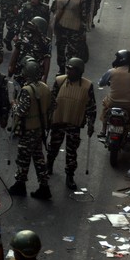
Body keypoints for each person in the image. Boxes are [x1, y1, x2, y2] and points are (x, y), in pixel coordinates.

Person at [47, 57, 96, 189]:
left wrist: (91, 124)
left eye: (72, 70)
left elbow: (91, 107)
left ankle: (70, 176)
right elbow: (51, 102)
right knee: (53, 147)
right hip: (58, 122)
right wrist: (48, 119)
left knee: (71, 152)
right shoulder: (59, 81)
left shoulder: (87, 86)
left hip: (74, 124)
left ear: (79, 72)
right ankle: (49, 165)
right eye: (67, 69)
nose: (68, 72)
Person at [8, 60, 53, 199]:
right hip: (39, 129)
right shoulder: (45, 87)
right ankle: (44, 186)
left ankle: (20, 184)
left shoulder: (27, 90)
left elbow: (20, 112)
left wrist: (14, 104)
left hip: (28, 130)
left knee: (23, 158)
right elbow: (53, 106)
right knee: (38, 158)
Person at [98, 49, 130, 135]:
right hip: (129, 105)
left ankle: (103, 129)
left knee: (105, 106)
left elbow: (101, 83)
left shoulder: (111, 71)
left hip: (112, 103)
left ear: (121, 60)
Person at [50, 0, 89, 75]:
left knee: (73, 53)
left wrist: (83, 33)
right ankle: (61, 69)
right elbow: (53, 9)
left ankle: (69, 70)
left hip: (74, 30)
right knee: (60, 51)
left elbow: (83, 16)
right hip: (61, 28)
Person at [9, 16, 52, 87]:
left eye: (33, 25)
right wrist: (11, 65)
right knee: (18, 90)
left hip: (35, 71)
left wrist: (45, 77)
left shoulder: (46, 42)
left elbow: (47, 59)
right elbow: (17, 50)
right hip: (20, 69)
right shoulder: (24, 35)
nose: (29, 26)